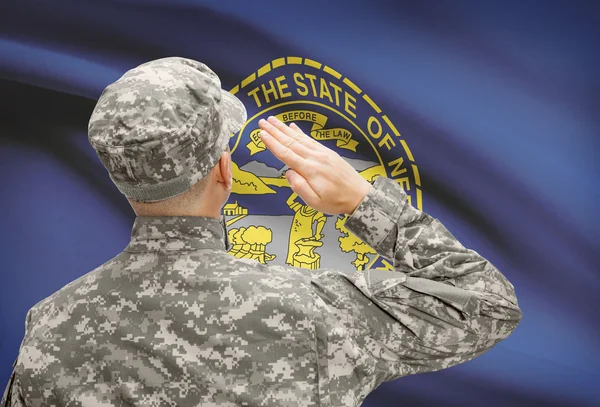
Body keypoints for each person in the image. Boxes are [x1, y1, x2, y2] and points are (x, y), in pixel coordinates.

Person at [1, 57, 522, 407]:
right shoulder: (315, 311)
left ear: (121, 177)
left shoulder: (50, 326)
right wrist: (365, 202)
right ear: (225, 172)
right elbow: (488, 305)